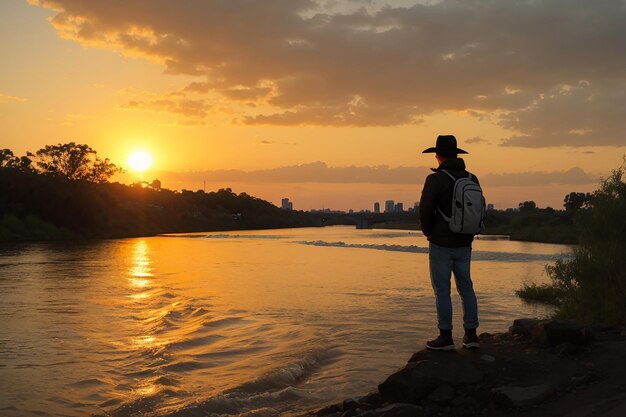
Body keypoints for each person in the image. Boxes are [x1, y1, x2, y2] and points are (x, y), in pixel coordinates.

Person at [419, 135, 480, 351]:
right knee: (466, 288)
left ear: (438, 156)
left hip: (441, 243)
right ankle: (471, 335)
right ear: (457, 154)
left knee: (442, 290)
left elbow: (425, 210)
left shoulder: (435, 179)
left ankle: (445, 337)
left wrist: (429, 233)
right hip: (465, 242)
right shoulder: (472, 178)